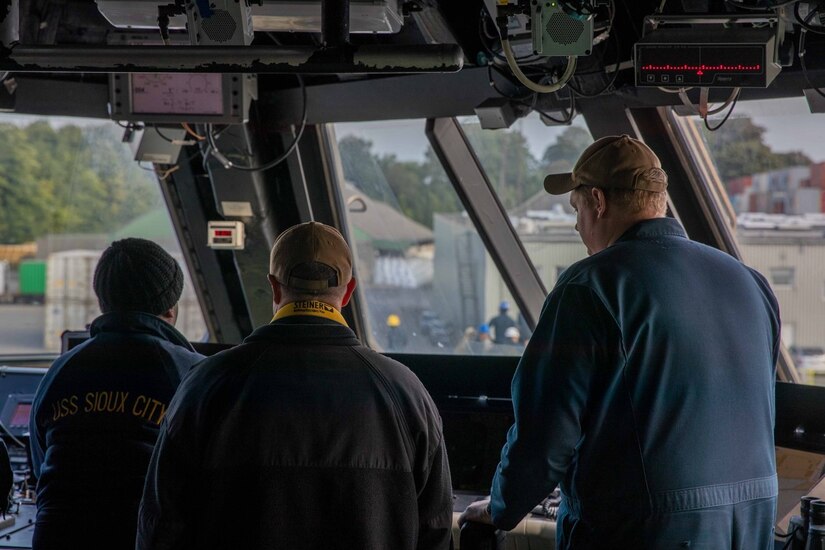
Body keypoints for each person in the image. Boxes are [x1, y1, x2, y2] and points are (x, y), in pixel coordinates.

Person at [459, 135, 781, 548]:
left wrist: (500, 509)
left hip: (642, 533)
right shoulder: (751, 283)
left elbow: (544, 438)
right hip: (752, 528)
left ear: (597, 201)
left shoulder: (589, 286)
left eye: (576, 209)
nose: (577, 225)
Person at [137, 221, 453, 550]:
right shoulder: (406, 393)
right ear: (347, 292)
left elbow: (162, 527)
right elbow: (436, 531)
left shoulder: (206, 384)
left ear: (274, 288)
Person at [29, 238, 204, 550]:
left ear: (103, 301)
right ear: (170, 306)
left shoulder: (61, 371)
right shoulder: (195, 374)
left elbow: (40, 463)